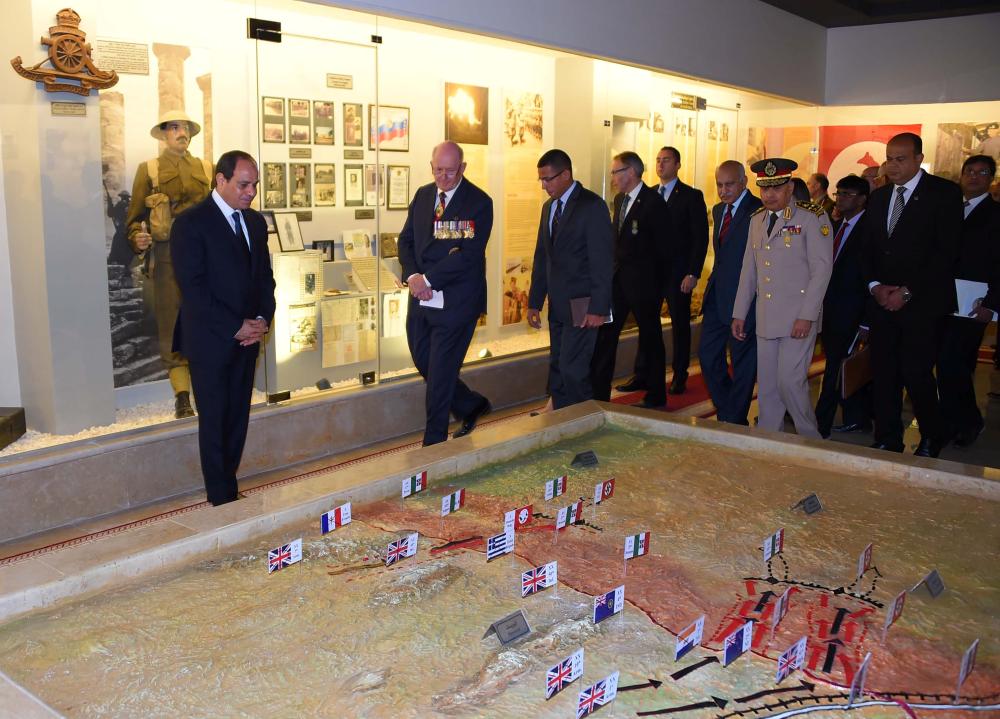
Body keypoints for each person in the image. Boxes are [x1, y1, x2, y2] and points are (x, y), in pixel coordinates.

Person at [170, 150, 275, 506]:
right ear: (221, 180)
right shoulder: (190, 223)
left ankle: (228, 483)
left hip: (248, 340)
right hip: (211, 340)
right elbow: (193, 289)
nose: (250, 192)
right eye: (244, 184)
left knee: (237, 418)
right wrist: (235, 326)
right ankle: (221, 496)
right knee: (214, 419)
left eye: (254, 185)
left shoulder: (256, 223)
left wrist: (262, 320)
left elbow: (265, 280)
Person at [860, 132, 963, 457]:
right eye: (889, 158)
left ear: (919, 159)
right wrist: (875, 287)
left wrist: (907, 292)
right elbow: (868, 249)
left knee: (916, 373)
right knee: (884, 372)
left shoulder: (943, 193)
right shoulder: (879, 197)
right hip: (882, 302)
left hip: (922, 304)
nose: (893, 165)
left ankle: (933, 434)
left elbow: (946, 253)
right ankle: (888, 436)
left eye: (901, 159)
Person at [397, 141, 493, 445]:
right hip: (421, 298)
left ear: (462, 168)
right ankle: (469, 404)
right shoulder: (424, 195)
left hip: (456, 302)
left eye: (450, 172)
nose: (443, 177)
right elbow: (406, 241)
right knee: (423, 360)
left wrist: (428, 278)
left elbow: (466, 255)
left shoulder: (478, 202)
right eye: (438, 170)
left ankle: (433, 446)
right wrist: (414, 276)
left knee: (439, 376)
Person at [732, 158, 833, 438]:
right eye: (764, 189)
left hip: (798, 317)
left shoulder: (811, 217)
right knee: (767, 387)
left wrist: (807, 316)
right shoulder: (757, 220)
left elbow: (822, 269)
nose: (769, 195)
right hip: (767, 317)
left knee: (790, 382)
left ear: (789, 188)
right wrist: (739, 313)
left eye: (776, 188)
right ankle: (770, 441)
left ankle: (811, 440)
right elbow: (748, 270)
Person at [126, 111, 214, 418]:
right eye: (175, 128)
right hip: (166, 258)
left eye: (186, 128)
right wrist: (137, 236)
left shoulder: (206, 168)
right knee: (171, 325)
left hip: (204, 258)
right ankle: (181, 396)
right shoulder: (149, 170)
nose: (182, 133)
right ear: (164, 134)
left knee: (206, 320)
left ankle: (206, 388)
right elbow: (135, 217)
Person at [527, 149, 613, 409]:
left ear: (566, 174)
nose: (544, 186)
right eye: (541, 180)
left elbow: (602, 261)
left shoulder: (591, 205)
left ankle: (584, 427)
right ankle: (562, 426)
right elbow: (542, 257)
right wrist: (534, 301)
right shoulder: (548, 208)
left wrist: (599, 308)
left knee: (573, 370)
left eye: (548, 179)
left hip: (584, 304)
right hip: (558, 304)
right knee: (558, 371)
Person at [617, 146, 707, 395]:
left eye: (666, 160)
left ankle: (679, 374)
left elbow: (699, 238)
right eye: (657, 160)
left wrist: (693, 272)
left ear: (678, 164)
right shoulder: (647, 195)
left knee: (679, 324)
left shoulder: (690, 196)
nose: (660, 165)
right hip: (650, 275)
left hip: (678, 274)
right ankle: (642, 373)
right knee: (648, 325)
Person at [592, 151, 671, 408]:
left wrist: (657, 286)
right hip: (617, 282)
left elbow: (663, 249)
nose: (612, 177)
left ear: (631, 172)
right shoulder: (619, 199)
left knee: (650, 337)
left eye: (615, 171)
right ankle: (599, 395)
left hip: (644, 284)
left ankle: (656, 394)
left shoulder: (653, 202)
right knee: (606, 336)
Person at [936, 154, 999, 447]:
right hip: (942, 298)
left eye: (981, 172)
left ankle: (968, 421)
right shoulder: (949, 210)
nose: (973, 177)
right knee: (945, 363)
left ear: (991, 179)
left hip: (975, 302)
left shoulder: (996, 214)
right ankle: (952, 420)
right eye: (969, 171)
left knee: (955, 362)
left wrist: (992, 304)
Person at [697, 161, 763, 425]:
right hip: (716, 297)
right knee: (707, 356)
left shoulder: (758, 211)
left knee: (743, 361)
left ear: (744, 182)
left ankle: (734, 418)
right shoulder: (717, 209)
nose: (723, 191)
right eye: (719, 185)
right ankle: (728, 409)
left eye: (729, 184)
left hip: (745, 299)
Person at [814, 174, 873, 438]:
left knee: (836, 368)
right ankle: (856, 416)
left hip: (852, 311)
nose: (841, 198)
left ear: (862, 199)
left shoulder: (869, 230)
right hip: (831, 309)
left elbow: (872, 276)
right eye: (839, 193)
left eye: (848, 194)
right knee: (837, 364)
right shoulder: (837, 226)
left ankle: (821, 422)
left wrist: (866, 321)